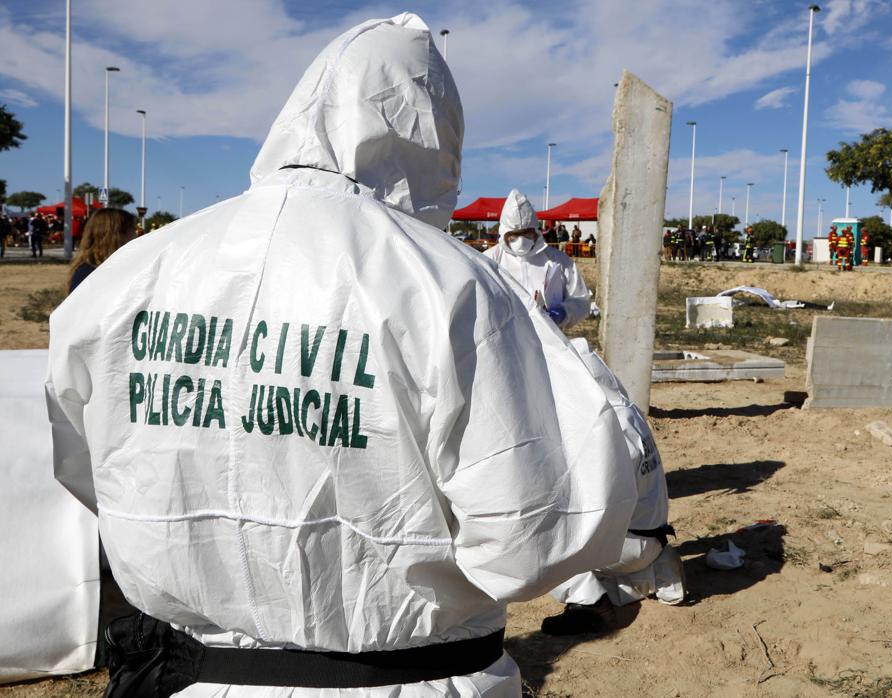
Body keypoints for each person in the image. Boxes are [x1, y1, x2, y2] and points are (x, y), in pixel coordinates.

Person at [46, 14, 638, 696]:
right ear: (434, 136)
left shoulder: (129, 277)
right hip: (405, 677)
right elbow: (529, 536)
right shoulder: (449, 284)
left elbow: (87, 467)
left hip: (194, 678)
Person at [542, 338, 683, 635]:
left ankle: (589, 603)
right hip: (650, 537)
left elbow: (592, 503)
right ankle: (649, 576)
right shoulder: (627, 412)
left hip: (629, 545)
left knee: (540, 531)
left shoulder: (605, 428)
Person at [483, 189, 593, 331]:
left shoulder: (558, 261)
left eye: (526, 233)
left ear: (536, 231)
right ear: (504, 232)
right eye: (514, 235)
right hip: (505, 342)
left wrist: (564, 313)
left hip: (548, 341)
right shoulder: (488, 260)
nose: (521, 241)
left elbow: (581, 301)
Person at [66, 208, 137, 293]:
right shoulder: (87, 273)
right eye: (133, 229)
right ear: (117, 234)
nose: (136, 234)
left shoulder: (117, 265)